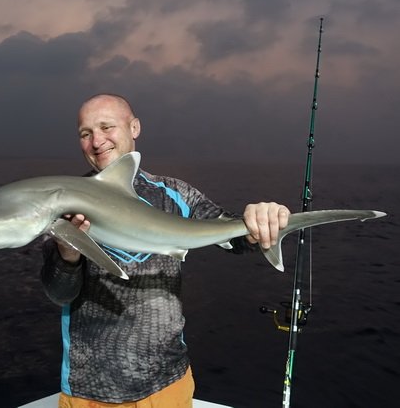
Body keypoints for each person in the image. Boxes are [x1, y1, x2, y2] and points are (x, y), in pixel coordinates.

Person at [40, 94, 290, 408]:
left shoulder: (175, 194)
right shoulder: (63, 205)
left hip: (167, 383)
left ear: (134, 128)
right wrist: (68, 252)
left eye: (106, 127)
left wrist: (260, 222)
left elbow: (234, 235)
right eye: (85, 134)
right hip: (90, 389)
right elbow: (58, 292)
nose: (96, 141)